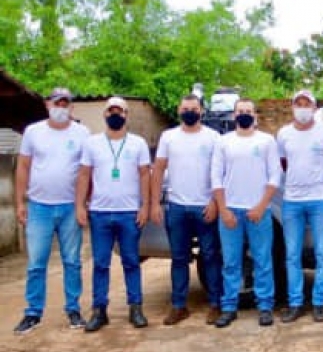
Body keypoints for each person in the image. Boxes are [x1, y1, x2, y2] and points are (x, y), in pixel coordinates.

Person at [13, 88, 91, 334]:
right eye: (57, 102)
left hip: (70, 207)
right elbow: (23, 167)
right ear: (48, 104)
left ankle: (73, 310)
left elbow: (85, 172)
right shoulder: (33, 132)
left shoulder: (82, 134)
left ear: (72, 107)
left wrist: (82, 204)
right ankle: (33, 312)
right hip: (39, 207)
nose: (61, 107)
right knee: (36, 263)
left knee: (72, 261)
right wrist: (19, 202)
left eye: (66, 103)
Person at [76, 97, 151, 332]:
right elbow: (84, 176)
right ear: (105, 115)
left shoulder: (137, 143)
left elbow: (145, 176)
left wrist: (146, 205)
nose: (115, 115)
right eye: (111, 111)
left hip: (129, 213)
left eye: (120, 111)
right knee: (100, 263)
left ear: (127, 115)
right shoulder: (92, 143)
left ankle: (136, 307)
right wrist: (80, 205)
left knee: (131, 262)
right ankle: (99, 310)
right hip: (99, 213)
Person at [151, 94, 222, 326]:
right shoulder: (168, 137)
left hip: (205, 206)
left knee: (210, 256)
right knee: (179, 258)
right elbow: (159, 169)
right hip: (177, 207)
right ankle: (179, 306)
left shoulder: (213, 137)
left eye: (194, 108)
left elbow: (220, 172)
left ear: (201, 111)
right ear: (179, 110)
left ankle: (215, 304)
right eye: (185, 108)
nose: (189, 112)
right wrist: (154, 203)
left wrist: (215, 202)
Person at [211, 98, 282, 328]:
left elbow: (275, 176)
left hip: (258, 212)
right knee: (231, 262)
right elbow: (216, 177)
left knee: (263, 260)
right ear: (234, 116)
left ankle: (265, 306)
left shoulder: (266, 141)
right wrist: (223, 209)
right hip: (231, 212)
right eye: (240, 111)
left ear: (255, 116)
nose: (244, 114)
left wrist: (261, 206)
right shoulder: (223, 142)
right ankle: (229, 307)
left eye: (248, 111)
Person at [277, 90, 323, 323]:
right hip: (292, 200)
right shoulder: (284, 134)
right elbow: (283, 163)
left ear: (314, 107)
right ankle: (295, 303)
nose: (302, 108)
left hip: (319, 199)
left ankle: (319, 303)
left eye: (307, 104)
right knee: (292, 255)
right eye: (298, 104)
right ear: (293, 107)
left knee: (322, 254)